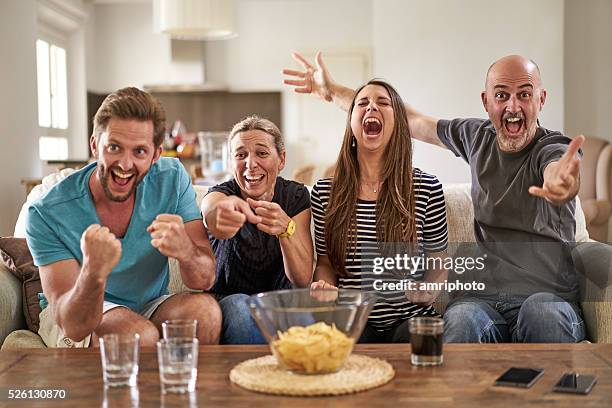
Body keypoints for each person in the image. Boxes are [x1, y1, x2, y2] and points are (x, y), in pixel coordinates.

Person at [284, 52, 585, 343]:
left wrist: (561, 182)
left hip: (544, 296)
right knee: (460, 321)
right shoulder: (476, 137)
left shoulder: (553, 147)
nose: (513, 106)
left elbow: (558, 169)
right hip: (484, 302)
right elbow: (406, 118)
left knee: (541, 313)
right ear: (486, 101)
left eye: (524, 94)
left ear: (541, 99)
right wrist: (330, 92)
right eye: (502, 95)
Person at [26, 87, 221, 347]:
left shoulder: (171, 178)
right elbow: (73, 325)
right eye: (114, 147)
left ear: (155, 155)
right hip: (77, 308)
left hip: (149, 304)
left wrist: (186, 250)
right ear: (95, 146)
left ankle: (189, 389)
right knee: (138, 335)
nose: (125, 164)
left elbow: (204, 279)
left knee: (205, 313)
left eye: (139, 151)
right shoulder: (46, 211)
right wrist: (93, 271)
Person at [309, 79, 449, 343]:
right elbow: (326, 263)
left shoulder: (427, 187)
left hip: (412, 318)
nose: (371, 107)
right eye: (362, 103)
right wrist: (324, 287)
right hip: (352, 318)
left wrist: (430, 288)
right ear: (351, 124)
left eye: (382, 103)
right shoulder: (324, 192)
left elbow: (438, 262)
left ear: (398, 123)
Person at [201, 115, 313, 344]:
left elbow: (302, 280)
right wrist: (220, 213)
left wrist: (286, 229)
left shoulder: (296, 197)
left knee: (307, 321)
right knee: (240, 307)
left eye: (261, 153)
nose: (250, 164)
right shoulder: (221, 193)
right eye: (240, 155)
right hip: (229, 299)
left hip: (282, 301)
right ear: (231, 163)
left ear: (281, 160)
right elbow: (210, 208)